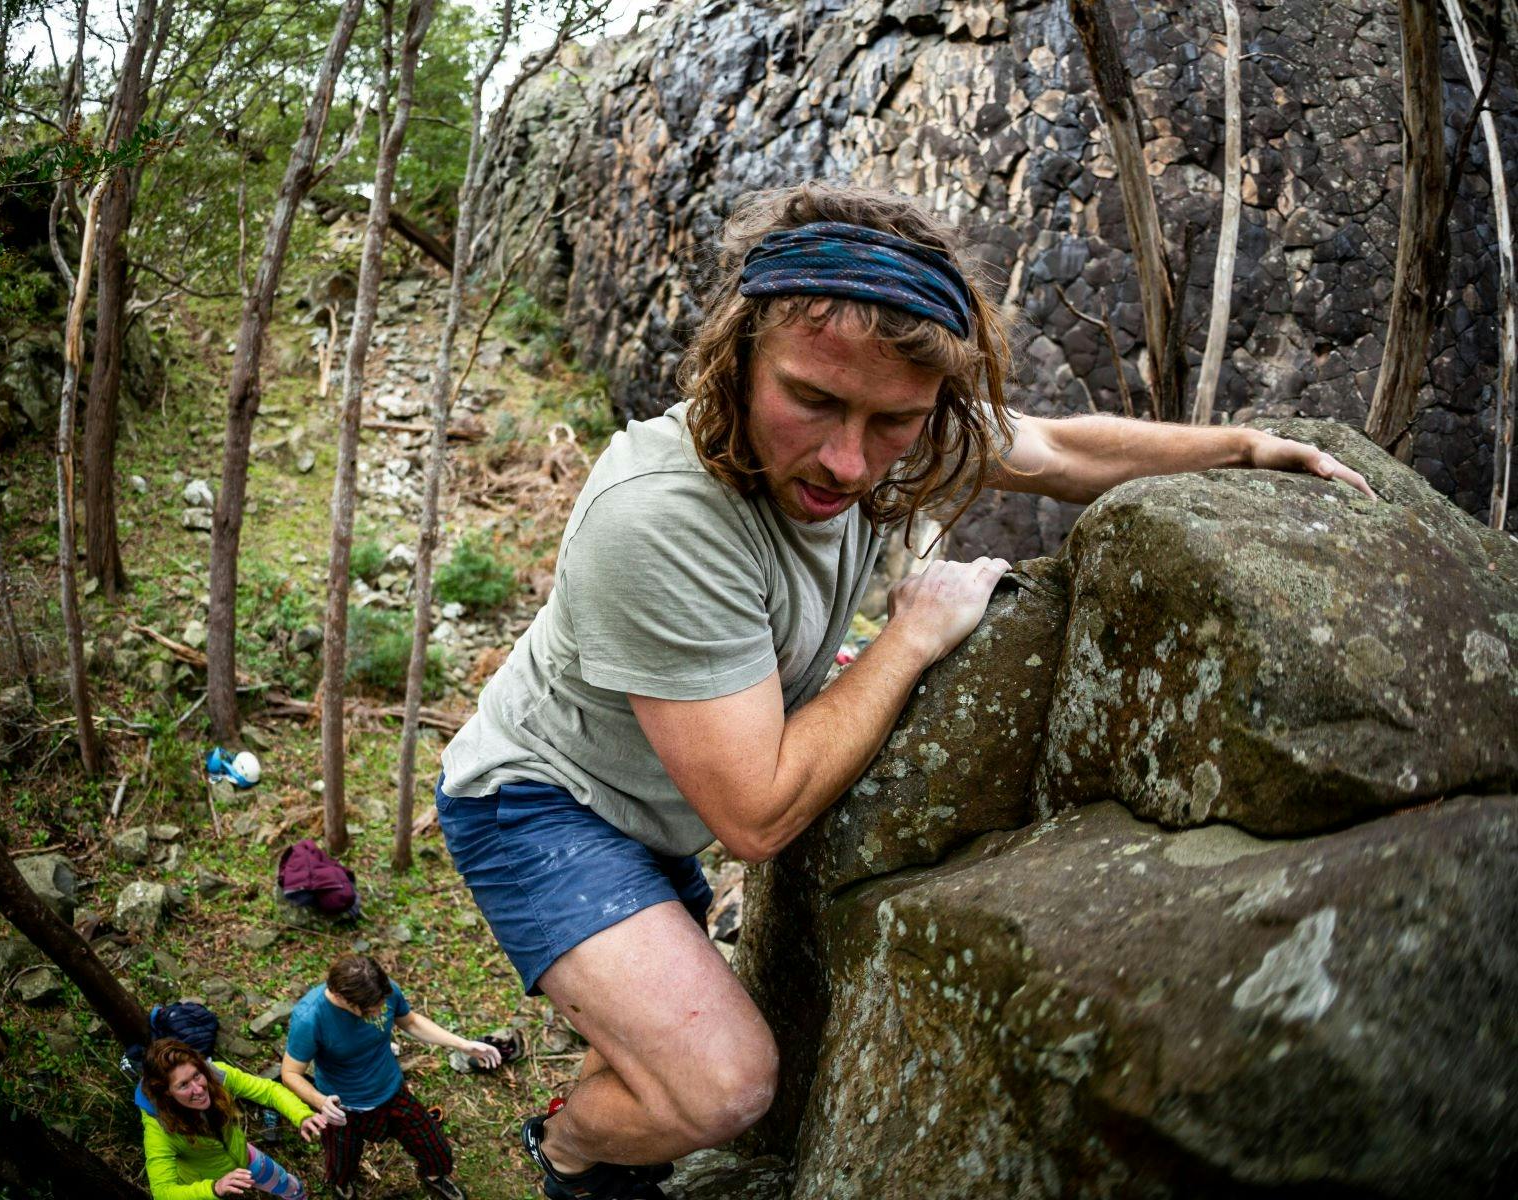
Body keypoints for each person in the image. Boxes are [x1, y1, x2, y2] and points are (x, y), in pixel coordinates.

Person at [432, 182, 1376, 1200]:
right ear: (736, 357)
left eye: (893, 421)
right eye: (812, 400)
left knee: (652, 1046)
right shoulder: (659, 517)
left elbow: (1059, 450)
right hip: (542, 806)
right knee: (720, 1088)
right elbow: (756, 814)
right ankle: (567, 1152)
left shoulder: (892, 424)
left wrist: (1240, 449)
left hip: (654, 798)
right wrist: (911, 635)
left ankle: (614, 1115)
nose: (847, 460)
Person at [277, 954, 498, 1200]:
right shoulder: (310, 1018)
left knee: (436, 1149)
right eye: (372, 1011)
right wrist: (320, 1102)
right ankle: (343, 1185)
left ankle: (433, 1177)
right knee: (341, 1162)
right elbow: (290, 1073)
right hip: (342, 1106)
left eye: (382, 1005)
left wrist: (463, 1044)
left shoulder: (381, 991)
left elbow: (411, 1022)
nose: (381, 1011)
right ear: (340, 997)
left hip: (391, 1090)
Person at [137, 1038, 325, 1200]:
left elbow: (269, 1091)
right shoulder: (159, 1128)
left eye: (196, 1075)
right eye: (184, 1085)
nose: (199, 1089)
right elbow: (163, 1192)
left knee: (291, 1187)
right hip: (205, 1184)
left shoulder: (216, 1075)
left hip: (245, 1158)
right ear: (167, 1092)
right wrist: (215, 1188)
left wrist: (302, 1115)